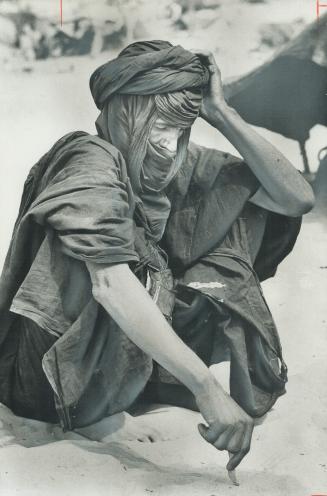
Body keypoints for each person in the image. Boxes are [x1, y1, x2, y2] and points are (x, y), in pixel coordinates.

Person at [0, 40, 314, 472]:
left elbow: (295, 199)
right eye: (160, 124)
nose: (169, 144)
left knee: (214, 248)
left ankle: (127, 391)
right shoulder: (88, 159)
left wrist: (222, 114)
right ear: (126, 115)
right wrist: (206, 388)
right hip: (43, 378)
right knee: (102, 251)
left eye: (180, 130)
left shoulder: (171, 165)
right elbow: (109, 283)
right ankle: (88, 415)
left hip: (122, 369)